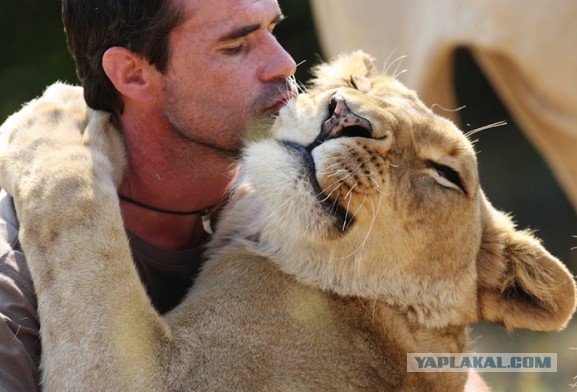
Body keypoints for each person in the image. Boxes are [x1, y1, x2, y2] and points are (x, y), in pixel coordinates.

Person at [0, 0, 488, 390]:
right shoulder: (13, 280)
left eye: (271, 28)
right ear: (132, 75)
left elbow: (429, 344)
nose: (284, 63)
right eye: (236, 46)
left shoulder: (301, 199)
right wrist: (62, 181)